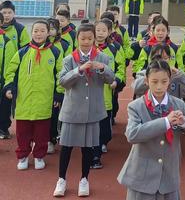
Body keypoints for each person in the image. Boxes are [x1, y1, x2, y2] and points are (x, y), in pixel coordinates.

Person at [117, 59, 185, 200]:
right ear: (146, 81)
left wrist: (184, 122)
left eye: (164, 81)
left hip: (169, 176)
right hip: (142, 178)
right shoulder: (136, 106)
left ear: (170, 81)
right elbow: (132, 135)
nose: (159, 86)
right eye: (154, 81)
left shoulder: (178, 104)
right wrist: (165, 122)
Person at [53, 23, 115, 197]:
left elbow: (111, 79)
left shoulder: (102, 57)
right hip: (72, 110)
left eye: (89, 38)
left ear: (94, 38)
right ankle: (61, 179)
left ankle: (84, 179)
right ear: (77, 39)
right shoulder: (69, 59)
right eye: (83, 38)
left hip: (93, 111)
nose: (86, 42)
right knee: (66, 147)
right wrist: (78, 70)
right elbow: (63, 81)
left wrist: (102, 68)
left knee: (88, 148)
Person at [4, 20, 63, 171]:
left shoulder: (55, 53)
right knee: (23, 133)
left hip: (44, 101)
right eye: (36, 31)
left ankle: (39, 156)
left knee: (41, 133)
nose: (38, 33)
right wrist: (9, 87)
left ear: (48, 32)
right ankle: (23, 156)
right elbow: (10, 71)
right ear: (32, 33)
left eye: (42, 30)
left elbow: (60, 75)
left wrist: (58, 94)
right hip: (23, 100)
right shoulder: (22, 52)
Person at [91, 18, 126, 169]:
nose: (100, 33)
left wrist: (116, 80)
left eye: (103, 31)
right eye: (97, 30)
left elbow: (121, 67)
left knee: (105, 128)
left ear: (110, 32)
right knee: (92, 126)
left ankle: (103, 141)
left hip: (106, 93)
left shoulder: (115, 48)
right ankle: (95, 155)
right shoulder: (87, 47)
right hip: (89, 93)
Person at [47, 17, 71, 154]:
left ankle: (51, 139)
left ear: (57, 30)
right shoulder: (39, 45)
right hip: (42, 87)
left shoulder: (65, 45)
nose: (49, 32)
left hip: (56, 86)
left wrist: (60, 91)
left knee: (55, 114)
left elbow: (65, 69)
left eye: (52, 28)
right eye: (47, 28)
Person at [0, 11, 17, 140]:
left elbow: (9, 66)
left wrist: (7, 84)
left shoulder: (7, 42)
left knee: (4, 108)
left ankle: (3, 129)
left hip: (2, 82)